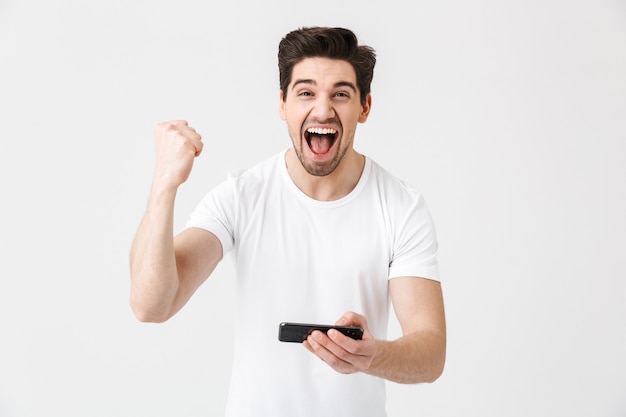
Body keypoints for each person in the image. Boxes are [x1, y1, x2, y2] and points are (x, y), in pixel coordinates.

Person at [129, 26, 446, 416]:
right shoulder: (241, 196)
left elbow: (431, 354)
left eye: (341, 94)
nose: (323, 109)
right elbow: (151, 304)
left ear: (364, 107)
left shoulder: (401, 207)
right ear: (283, 104)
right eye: (306, 93)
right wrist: (164, 184)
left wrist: (372, 355)